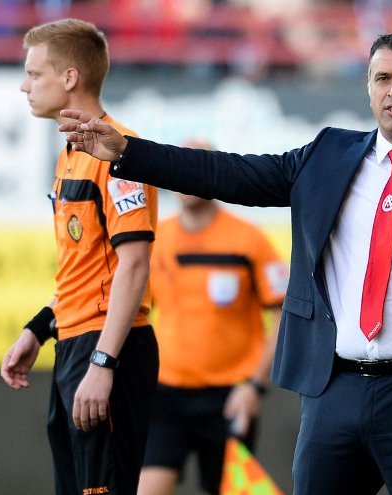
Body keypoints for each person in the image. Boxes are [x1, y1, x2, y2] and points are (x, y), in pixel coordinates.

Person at [59, 32, 392, 495]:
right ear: (369, 88)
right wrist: (129, 151)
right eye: (383, 78)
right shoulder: (328, 155)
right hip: (334, 390)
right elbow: (227, 173)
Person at [0, 18, 159, 495]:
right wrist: (39, 328)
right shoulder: (70, 153)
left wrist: (103, 362)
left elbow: (134, 265)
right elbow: (86, 267)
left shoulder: (119, 153)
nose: (25, 86)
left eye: (34, 74)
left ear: (70, 77)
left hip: (107, 346)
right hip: (74, 343)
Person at [140, 141, 288, 494]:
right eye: (180, 167)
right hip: (165, 392)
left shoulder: (249, 239)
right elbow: (133, 312)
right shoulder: (155, 238)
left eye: (196, 165)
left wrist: (254, 386)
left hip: (229, 397)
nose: (186, 177)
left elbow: (284, 316)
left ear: (213, 172)